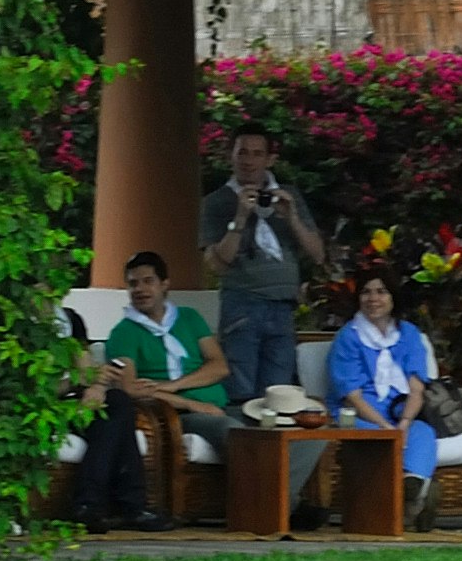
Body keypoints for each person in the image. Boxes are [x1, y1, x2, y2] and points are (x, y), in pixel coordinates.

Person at [79, 251, 231, 533]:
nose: (140, 290)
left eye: (148, 281)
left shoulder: (189, 318)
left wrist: (175, 384)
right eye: (133, 284)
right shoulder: (125, 331)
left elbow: (220, 367)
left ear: (165, 284)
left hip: (217, 402)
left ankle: (290, 503)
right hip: (180, 412)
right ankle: (268, 505)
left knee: (297, 436)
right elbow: (129, 389)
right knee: (239, 434)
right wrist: (189, 403)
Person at [199, 125, 326, 404]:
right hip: (243, 306)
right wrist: (241, 217)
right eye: (242, 152)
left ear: (269, 159)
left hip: (282, 308)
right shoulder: (217, 202)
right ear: (229, 156)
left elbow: (317, 254)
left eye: (257, 154)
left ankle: (271, 448)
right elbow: (217, 265)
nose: (249, 160)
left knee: (279, 395)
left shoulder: (288, 195)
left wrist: (291, 217)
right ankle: (241, 446)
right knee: (240, 392)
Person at [327, 270, 443, 531]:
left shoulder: (410, 334)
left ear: (393, 298)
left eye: (381, 291)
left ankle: (414, 489)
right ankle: (417, 503)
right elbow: (352, 395)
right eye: (367, 292)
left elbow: (416, 388)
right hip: (359, 414)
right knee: (375, 438)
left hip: (401, 412)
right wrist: (385, 428)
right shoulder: (348, 336)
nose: (373, 298)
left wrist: (403, 424)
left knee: (422, 433)